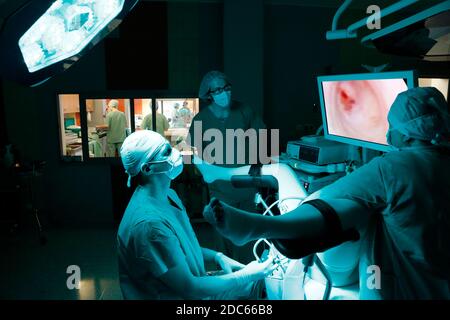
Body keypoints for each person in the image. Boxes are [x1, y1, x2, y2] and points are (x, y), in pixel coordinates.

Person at [201, 87, 450, 300]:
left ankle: (264, 225)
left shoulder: (394, 168)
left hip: (383, 283)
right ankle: (226, 183)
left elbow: (324, 197)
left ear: (406, 134)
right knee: (285, 172)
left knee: (350, 206)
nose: (388, 133)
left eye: (391, 126)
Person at [116, 130, 276, 300]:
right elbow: (190, 288)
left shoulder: (168, 195)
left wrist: (217, 257)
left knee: (257, 285)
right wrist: (246, 276)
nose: (176, 153)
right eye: (167, 152)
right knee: (256, 287)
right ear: (148, 168)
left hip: (189, 287)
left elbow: (176, 249)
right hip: (179, 295)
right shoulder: (149, 224)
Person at [187, 70, 266, 263]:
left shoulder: (244, 111)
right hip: (221, 191)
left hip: (247, 187)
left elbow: (262, 137)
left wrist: (258, 160)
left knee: (250, 237)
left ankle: (252, 278)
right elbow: (194, 153)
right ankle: (230, 281)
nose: (225, 93)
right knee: (225, 238)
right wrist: (204, 171)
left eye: (227, 87)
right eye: (219, 89)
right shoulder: (201, 120)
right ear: (209, 94)